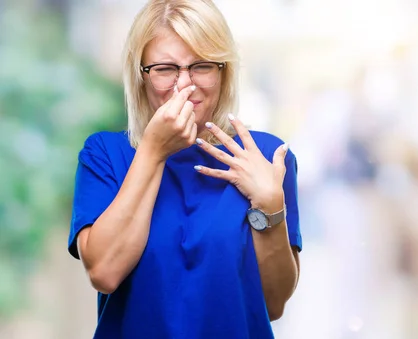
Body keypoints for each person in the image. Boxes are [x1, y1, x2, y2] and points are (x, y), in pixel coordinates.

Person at [67, 1, 302, 338]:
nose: (185, 85)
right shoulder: (105, 153)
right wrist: (152, 151)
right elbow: (104, 272)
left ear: (224, 71)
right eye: (165, 69)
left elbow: (274, 303)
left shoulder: (263, 156)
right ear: (141, 75)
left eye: (201, 66)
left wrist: (270, 205)